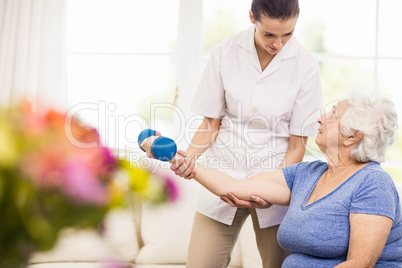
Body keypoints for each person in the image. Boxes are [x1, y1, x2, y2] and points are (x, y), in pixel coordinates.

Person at [142, 90, 402, 267]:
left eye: (333, 114)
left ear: (352, 136)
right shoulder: (307, 173)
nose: (321, 118)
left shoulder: (373, 184)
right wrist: (178, 158)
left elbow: (360, 264)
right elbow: (234, 188)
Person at [170, 0, 322, 267]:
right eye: (269, 34)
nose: (279, 44)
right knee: (200, 263)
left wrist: (272, 190)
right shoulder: (225, 52)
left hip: (273, 179)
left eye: (288, 34)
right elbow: (210, 124)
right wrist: (187, 158)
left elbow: (297, 146)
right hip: (223, 175)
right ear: (252, 17)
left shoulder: (306, 66)